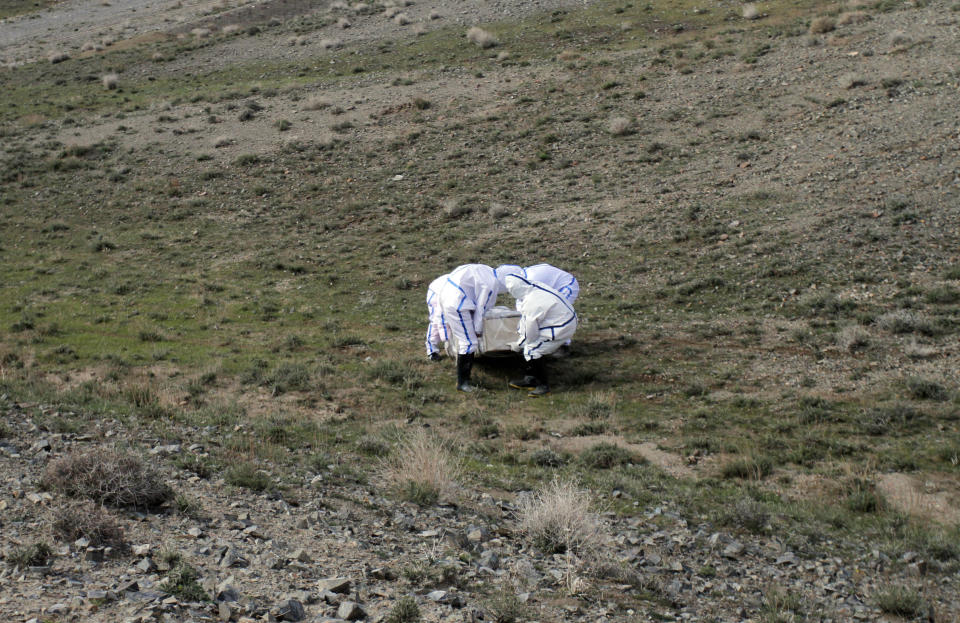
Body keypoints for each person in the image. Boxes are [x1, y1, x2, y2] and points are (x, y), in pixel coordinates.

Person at [503, 274, 578, 396]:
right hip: (563, 319)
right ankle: (530, 378)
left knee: (533, 350)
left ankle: (543, 386)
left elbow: (530, 332)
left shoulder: (532, 302)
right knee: (530, 346)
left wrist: (518, 344)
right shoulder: (535, 287)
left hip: (561, 327)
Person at [437, 264, 502, 392]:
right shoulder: (492, 283)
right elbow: (482, 308)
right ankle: (463, 382)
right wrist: (478, 330)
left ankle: (465, 380)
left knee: (465, 339)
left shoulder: (483, 269)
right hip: (458, 304)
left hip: (447, 298)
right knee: (469, 342)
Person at [425, 274, 449, 361]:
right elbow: (440, 316)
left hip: (450, 292)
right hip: (436, 292)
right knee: (436, 320)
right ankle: (432, 351)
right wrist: (446, 338)